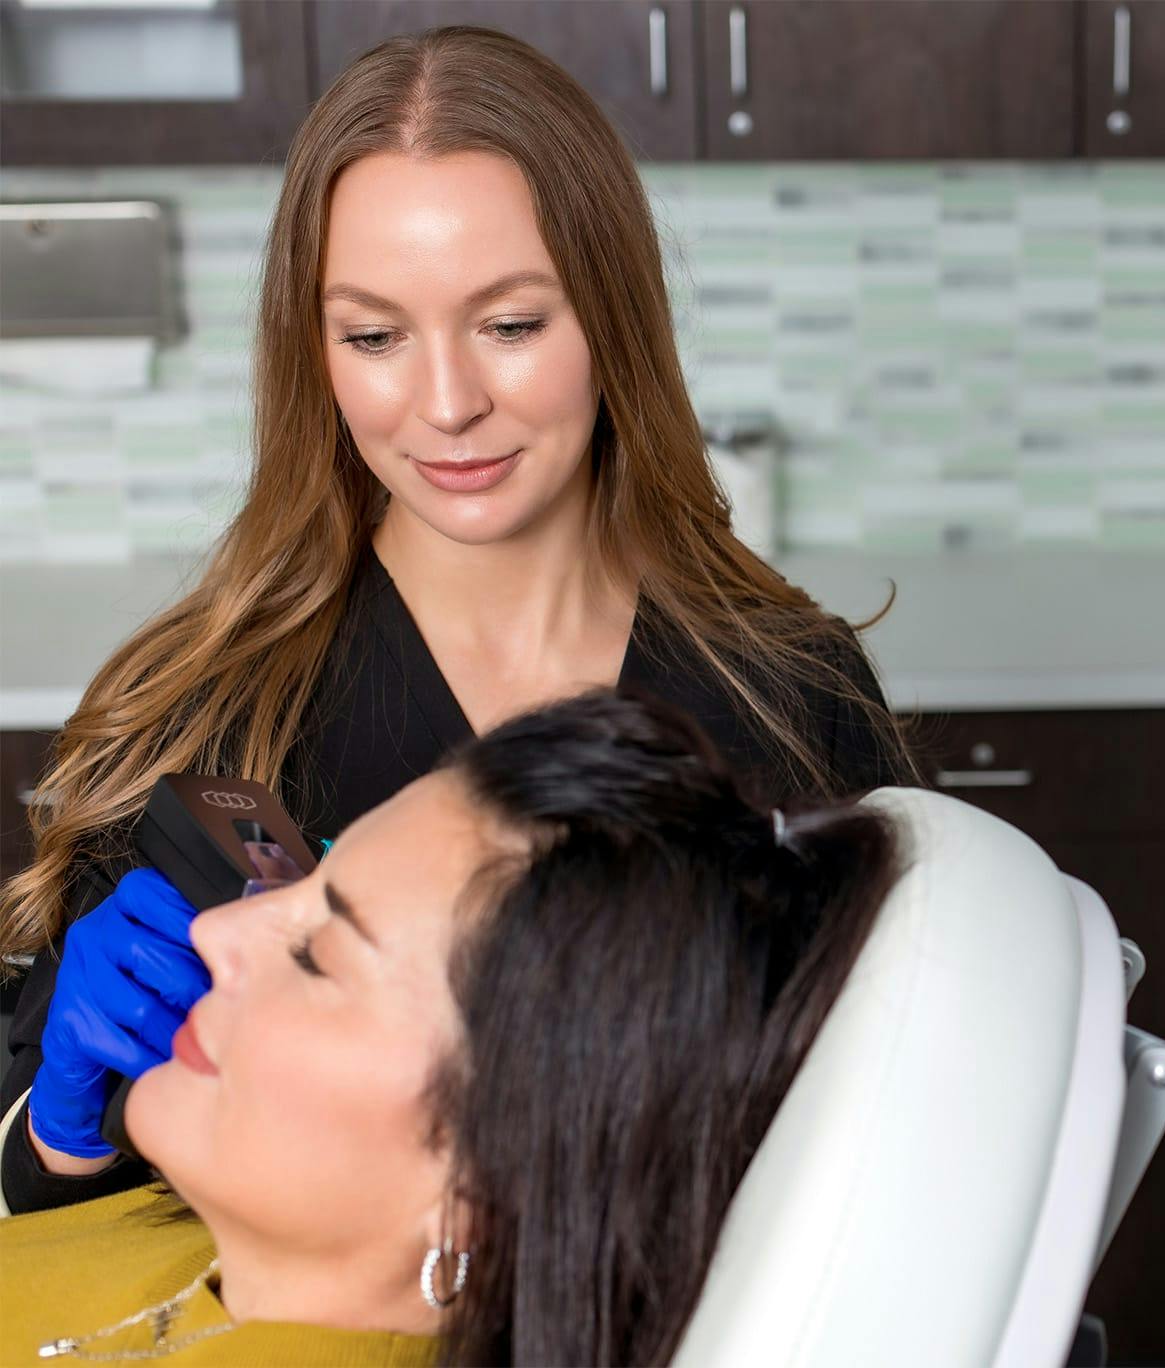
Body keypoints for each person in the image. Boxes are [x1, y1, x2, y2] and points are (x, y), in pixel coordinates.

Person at [0, 24, 912, 1214]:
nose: (446, 404)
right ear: (315, 354)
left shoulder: (787, 690)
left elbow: (910, 1117)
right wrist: (67, 1122)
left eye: (512, 324)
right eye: (374, 337)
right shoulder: (212, 716)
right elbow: (45, 1192)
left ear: (613, 324)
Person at [0, 691, 903, 1366]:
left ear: (488, 1179)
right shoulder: (256, 1219)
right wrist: (54, 1138)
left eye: (318, 953)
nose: (213, 930)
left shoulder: (790, 690)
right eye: (301, 885)